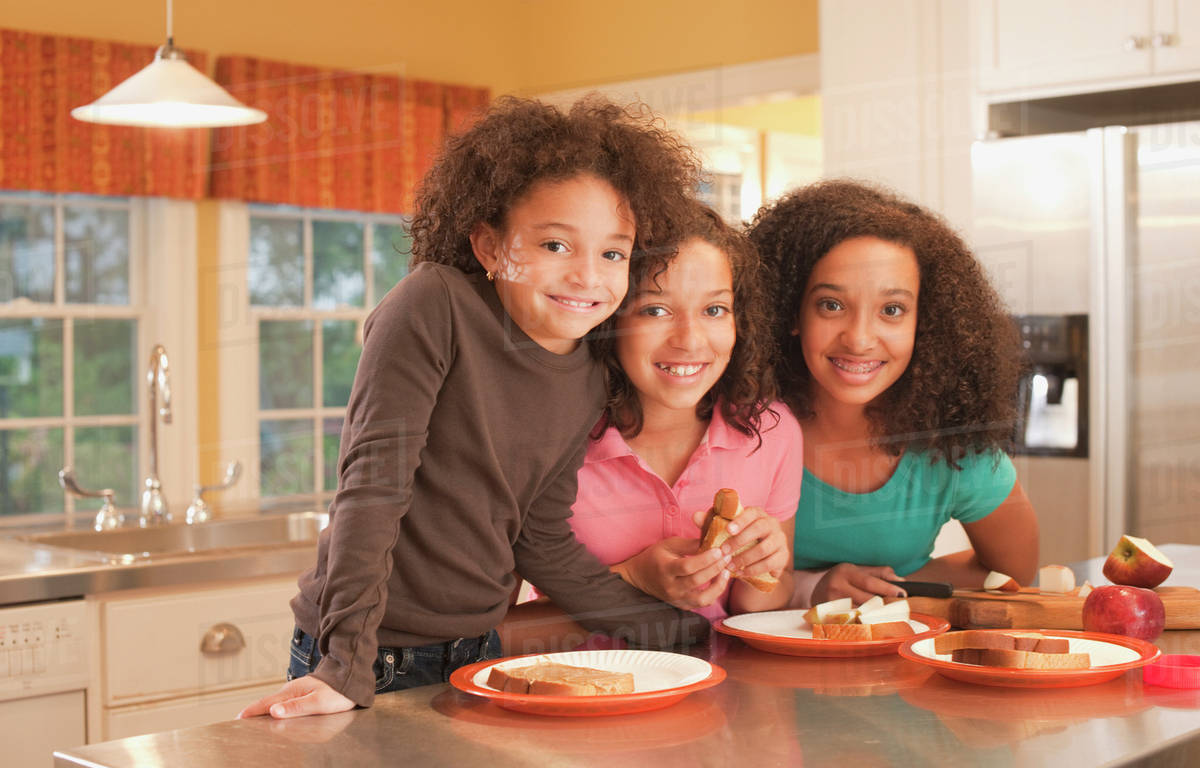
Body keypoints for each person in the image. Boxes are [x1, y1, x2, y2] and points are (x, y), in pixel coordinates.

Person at [239, 97, 710, 720]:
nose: (587, 277)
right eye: (554, 245)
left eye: (613, 253)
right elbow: (372, 490)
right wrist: (346, 663)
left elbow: (538, 537)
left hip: (479, 653)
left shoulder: (592, 371)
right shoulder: (434, 306)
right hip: (365, 652)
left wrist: (679, 633)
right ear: (489, 246)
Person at [500, 203, 802, 654]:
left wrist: (765, 568)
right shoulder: (543, 441)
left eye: (715, 309)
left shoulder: (772, 432)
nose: (691, 340)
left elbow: (758, 610)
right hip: (578, 708)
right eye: (656, 310)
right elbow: (495, 636)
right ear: (608, 318)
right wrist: (630, 581)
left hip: (720, 705)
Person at [747, 180, 1038, 607]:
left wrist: (885, 587)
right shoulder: (742, 425)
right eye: (831, 304)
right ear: (791, 310)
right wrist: (815, 587)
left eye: (892, 310)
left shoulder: (955, 445)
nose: (860, 339)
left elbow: (1012, 576)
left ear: (927, 322)